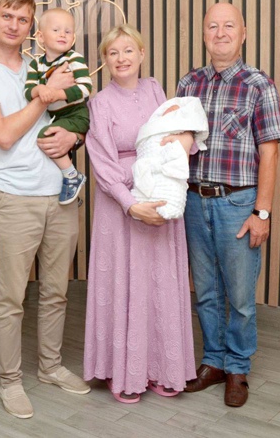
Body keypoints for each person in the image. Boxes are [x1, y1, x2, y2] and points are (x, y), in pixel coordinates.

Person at [0, 0, 90, 420]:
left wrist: (75, 136)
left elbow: (74, 109)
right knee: (11, 298)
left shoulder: (42, 64)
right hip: (15, 199)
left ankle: (50, 367)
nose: (14, 25)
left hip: (61, 194)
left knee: (56, 292)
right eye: (7, 16)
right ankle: (10, 381)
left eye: (23, 19)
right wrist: (44, 95)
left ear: (32, 26)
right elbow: (2, 134)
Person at [177, 3, 280, 407]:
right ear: (204, 34)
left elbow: (270, 152)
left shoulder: (259, 85)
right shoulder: (188, 84)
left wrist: (262, 212)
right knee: (205, 291)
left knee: (239, 296)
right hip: (194, 201)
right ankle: (213, 361)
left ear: (243, 33)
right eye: (212, 26)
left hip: (238, 204)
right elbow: (174, 145)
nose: (220, 33)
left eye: (228, 26)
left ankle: (238, 367)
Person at [83, 24, 197, 404]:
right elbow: (101, 162)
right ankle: (124, 373)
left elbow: (177, 133)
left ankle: (163, 368)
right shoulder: (100, 103)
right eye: (113, 52)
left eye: (128, 50)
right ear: (105, 59)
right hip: (119, 206)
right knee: (124, 283)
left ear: (142, 54)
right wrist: (130, 203)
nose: (122, 58)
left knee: (158, 283)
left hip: (161, 193)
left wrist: (184, 142)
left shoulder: (155, 90)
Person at [24, 8, 91, 205]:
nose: (63, 34)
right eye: (56, 30)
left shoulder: (74, 58)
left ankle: (71, 175)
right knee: (50, 140)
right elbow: (28, 91)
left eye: (68, 31)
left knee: (45, 134)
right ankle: (68, 181)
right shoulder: (36, 64)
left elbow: (86, 88)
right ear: (40, 36)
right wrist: (40, 89)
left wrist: (56, 94)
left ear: (73, 37)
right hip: (58, 117)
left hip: (76, 114)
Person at [131, 96, 209, 219]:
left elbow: (190, 138)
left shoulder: (154, 90)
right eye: (169, 110)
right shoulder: (152, 127)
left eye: (175, 111)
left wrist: (187, 137)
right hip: (140, 172)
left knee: (170, 188)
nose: (170, 110)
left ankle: (167, 202)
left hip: (171, 172)